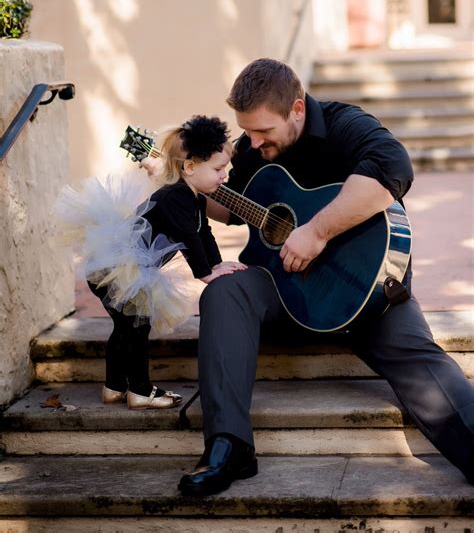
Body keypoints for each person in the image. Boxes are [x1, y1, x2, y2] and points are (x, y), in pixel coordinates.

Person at [178, 58, 474, 496]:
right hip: (283, 289)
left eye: (263, 132)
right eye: (248, 131)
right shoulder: (251, 147)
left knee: (425, 367)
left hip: (364, 290)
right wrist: (189, 184)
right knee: (224, 291)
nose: (251, 142)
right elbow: (228, 204)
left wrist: (317, 231)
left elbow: (394, 170)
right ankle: (229, 446)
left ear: (297, 109)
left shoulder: (344, 124)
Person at [56, 116, 245, 411]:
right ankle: (140, 391)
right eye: (219, 169)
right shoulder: (176, 197)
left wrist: (217, 264)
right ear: (191, 167)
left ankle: (115, 386)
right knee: (136, 328)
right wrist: (205, 274)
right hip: (119, 269)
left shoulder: (193, 198)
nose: (225, 175)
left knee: (124, 327)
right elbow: (188, 237)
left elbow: (203, 232)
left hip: (125, 268)